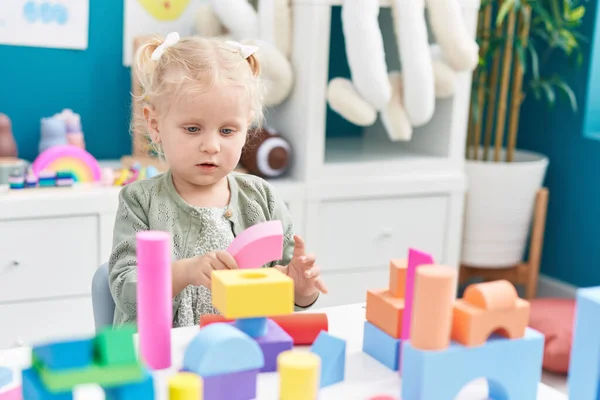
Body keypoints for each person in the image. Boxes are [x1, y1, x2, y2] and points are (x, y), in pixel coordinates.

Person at [108, 32, 327, 328]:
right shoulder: (139, 202)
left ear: (246, 127)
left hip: (243, 346)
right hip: (165, 355)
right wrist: (184, 272)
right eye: (193, 128)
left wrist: (300, 288)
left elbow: (283, 295)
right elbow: (125, 291)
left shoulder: (261, 198)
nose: (211, 146)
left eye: (227, 131)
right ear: (154, 124)